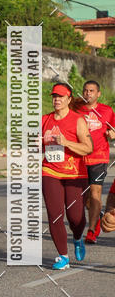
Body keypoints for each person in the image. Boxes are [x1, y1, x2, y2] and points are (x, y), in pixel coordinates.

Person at [42, 82, 93, 270]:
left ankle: (78, 237)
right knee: (55, 215)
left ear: (68, 99)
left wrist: (66, 142)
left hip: (75, 174)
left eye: (61, 96)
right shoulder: (45, 120)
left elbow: (88, 148)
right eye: (54, 96)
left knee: (75, 218)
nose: (56, 99)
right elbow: (37, 146)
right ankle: (63, 256)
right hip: (50, 171)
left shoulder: (77, 120)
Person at [79, 80, 115, 243]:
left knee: (96, 193)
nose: (88, 93)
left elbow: (113, 129)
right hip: (79, 158)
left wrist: (112, 133)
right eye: (86, 90)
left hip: (99, 157)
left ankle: (92, 230)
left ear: (98, 94)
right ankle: (98, 217)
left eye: (92, 91)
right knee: (84, 198)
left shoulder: (106, 111)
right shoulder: (76, 108)